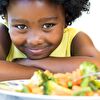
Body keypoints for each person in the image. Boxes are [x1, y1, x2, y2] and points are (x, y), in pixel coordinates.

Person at [0, 0, 100, 81]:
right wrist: (51, 73)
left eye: (48, 25)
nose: (34, 40)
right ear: (6, 18)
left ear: (66, 18)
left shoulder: (75, 38)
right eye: (21, 26)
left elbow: (98, 66)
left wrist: (27, 63)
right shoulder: (3, 33)